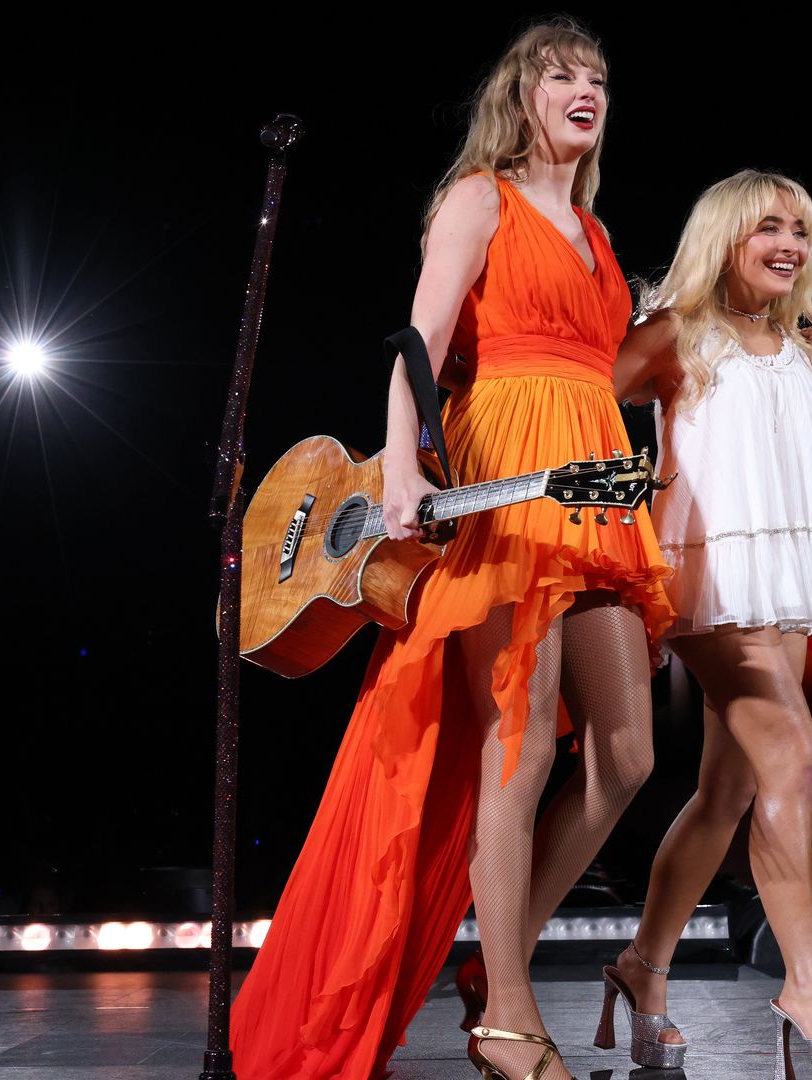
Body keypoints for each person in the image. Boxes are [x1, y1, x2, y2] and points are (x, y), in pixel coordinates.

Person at [230, 19, 674, 1080]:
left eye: (600, 79)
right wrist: (402, 468)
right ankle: (511, 1018)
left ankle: (496, 961)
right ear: (521, 94)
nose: (587, 90)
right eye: (564, 74)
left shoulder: (602, 237)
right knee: (512, 756)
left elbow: (600, 369)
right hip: (502, 483)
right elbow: (418, 347)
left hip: (592, 486)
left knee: (627, 758)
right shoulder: (480, 198)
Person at [609, 170, 812, 1076]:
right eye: (769, 225)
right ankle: (810, 986)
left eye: (802, 230)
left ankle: (642, 970)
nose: (791, 244)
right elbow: (578, 407)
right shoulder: (674, 334)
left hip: (778, 586)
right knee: (793, 755)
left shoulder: (800, 346)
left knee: (728, 793)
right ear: (725, 237)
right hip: (708, 582)